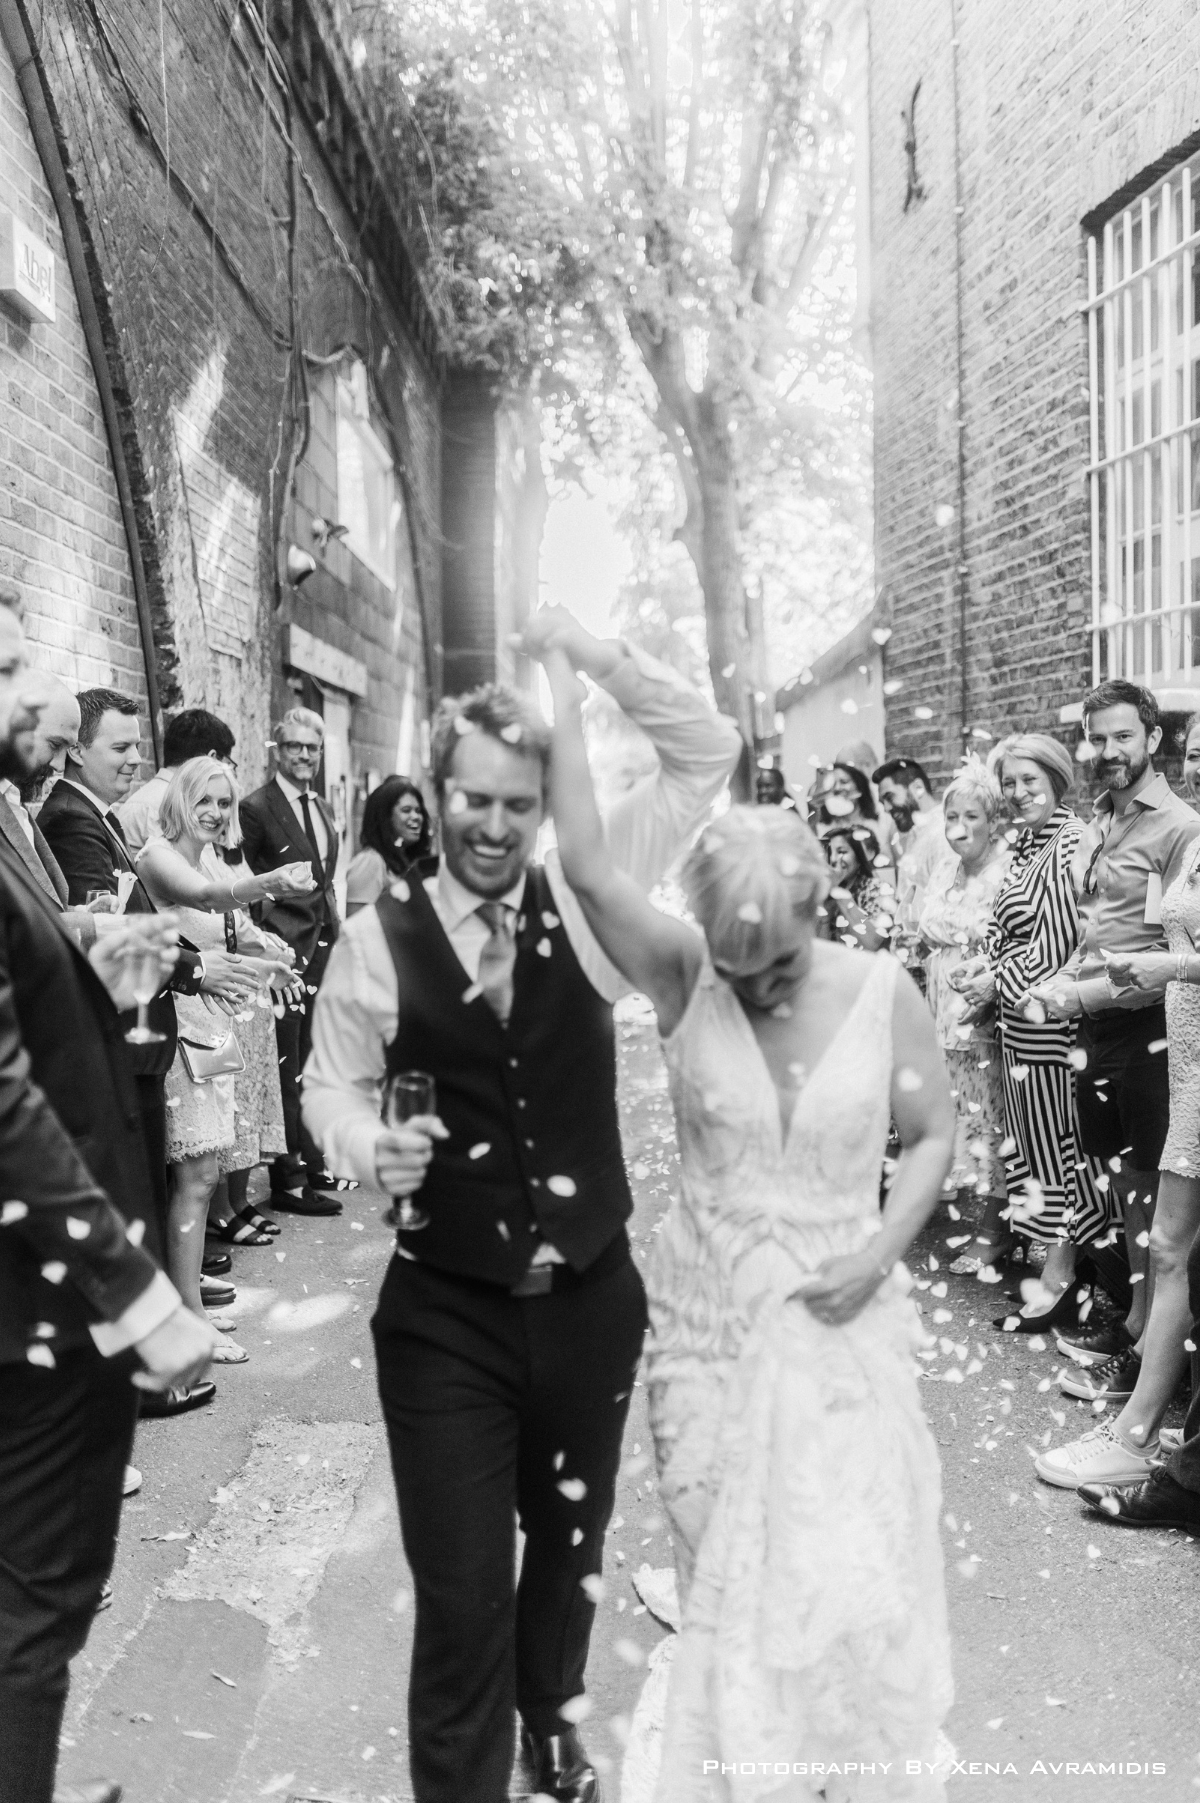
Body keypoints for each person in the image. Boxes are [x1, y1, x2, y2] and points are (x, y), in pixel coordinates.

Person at [302, 607, 742, 1803]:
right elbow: (327, 1087)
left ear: (545, 805)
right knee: (461, 1600)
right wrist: (368, 1144)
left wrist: (593, 662)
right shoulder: (374, 942)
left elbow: (707, 752)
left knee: (569, 1546)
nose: (495, 827)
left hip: (592, 1301)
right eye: (473, 801)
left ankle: (551, 1718)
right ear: (433, 796)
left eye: (518, 803)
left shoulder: (592, 897)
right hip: (445, 1315)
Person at [541, 646, 956, 1800]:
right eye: (737, 964)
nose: (757, 987)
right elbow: (584, 862)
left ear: (819, 913)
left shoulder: (883, 992)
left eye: (775, 964)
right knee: (722, 1578)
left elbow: (932, 1135)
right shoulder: (685, 974)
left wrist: (877, 1253)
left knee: (839, 1579)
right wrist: (566, 683)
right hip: (707, 1333)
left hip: (841, 1330)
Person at [0, 599, 217, 1803]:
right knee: (37, 1607)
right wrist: (136, 1293)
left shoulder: (8, 813)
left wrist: (86, 945)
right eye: (8, 666)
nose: (35, 690)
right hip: (35, 1302)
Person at [37, 690, 247, 1414]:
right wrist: (196, 968)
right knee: (137, 1202)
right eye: (120, 747)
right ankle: (143, 1374)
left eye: (137, 746)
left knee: (149, 1196)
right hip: (123, 1033)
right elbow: (111, 933)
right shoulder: (73, 819)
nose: (135, 760)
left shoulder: (94, 815)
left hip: (141, 1033)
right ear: (77, 750)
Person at [1024, 682, 1200, 1487]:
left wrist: (1087, 993)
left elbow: (1161, 955)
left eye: (1121, 736)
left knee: (1169, 1223)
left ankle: (1145, 1382)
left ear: (1151, 738)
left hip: (1152, 1031)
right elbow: (1101, 933)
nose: (1105, 751)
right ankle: (1133, 1327)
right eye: (1095, 738)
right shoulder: (1102, 820)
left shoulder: (1180, 827)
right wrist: (1065, 980)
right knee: (1128, 1187)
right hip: (1099, 1023)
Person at [138, 759, 311, 1364]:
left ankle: (187, 1302)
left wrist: (269, 968)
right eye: (204, 801)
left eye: (224, 802)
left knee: (203, 1175)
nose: (214, 813)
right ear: (180, 800)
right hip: (179, 1031)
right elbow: (206, 900)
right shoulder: (159, 855)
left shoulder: (211, 857)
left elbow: (221, 947)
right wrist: (272, 882)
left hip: (213, 1032)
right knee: (194, 1177)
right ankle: (187, 1316)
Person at [954, 735, 1110, 1331]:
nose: (1018, 793)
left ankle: (1061, 1278)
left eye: (1029, 780)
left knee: (1059, 1149)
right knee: (1033, 1147)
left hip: (1053, 1022)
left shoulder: (1070, 841)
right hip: (1019, 1024)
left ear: (1056, 780)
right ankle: (1060, 1269)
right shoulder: (1026, 842)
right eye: (1010, 783)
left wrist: (996, 981)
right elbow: (1005, 929)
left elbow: (1060, 939)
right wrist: (983, 965)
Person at [240, 707, 343, 1216]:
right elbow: (242, 882)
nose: (304, 755)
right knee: (286, 1062)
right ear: (277, 751)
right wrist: (266, 940)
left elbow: (324, 882)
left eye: (312, 747)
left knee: (313, 1059)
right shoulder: (256, 807)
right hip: (283, 950)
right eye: (295, 746)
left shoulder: (320, 807)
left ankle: (315, 1161)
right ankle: (289, 1178)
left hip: (323, 948)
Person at [918, 761, 1012, 1274]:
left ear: (993, 820)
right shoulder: (946, 868)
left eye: (971, 815)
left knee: (991, 1122)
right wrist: (959, 928)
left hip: (984, 1017)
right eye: (952, 816)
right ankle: (989, 1222)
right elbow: (925, 922)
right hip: (945, 1018)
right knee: (967, 1120)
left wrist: (950, 928)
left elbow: (989, 930)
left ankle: (996, 1231)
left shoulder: (1007, 868)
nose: (959, 826)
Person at [116, 707, 237, 853]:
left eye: (224, 804)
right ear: (212, 758)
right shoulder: (175, 806)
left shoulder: (142, 801)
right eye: (226, 763)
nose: (216, 814)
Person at [872, 755, 946, 979]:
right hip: (918, 962)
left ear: (918, 788)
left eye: (889, 797)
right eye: (882, 802)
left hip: (938, 963)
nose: (886, 808)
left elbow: (946, 902)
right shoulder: (912, 835)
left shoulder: (942, 833)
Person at [345, 775, 437, 915]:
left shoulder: (402, 859)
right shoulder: (370, 862)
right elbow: (356, 923)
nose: (416, 817)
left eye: (418, 811)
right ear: (385, 817)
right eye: (406, 810)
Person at [818, 821, 894, 951]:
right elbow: (819, 947)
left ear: (858, 858)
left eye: (842, 852)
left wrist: (839, 894)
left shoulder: (876, 888)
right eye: (828, 853)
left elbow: (874, 943)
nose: (834, 859)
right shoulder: (820, 894)